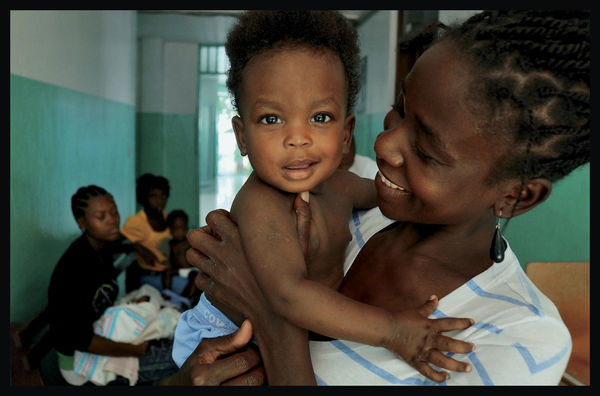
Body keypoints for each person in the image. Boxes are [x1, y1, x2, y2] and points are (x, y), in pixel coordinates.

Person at [177, 10, 590, 386]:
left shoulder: (524, 339)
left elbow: (275, 298)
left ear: (517, 195)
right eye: (400, 108)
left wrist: (269, 317)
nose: (383, 144)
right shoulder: (350, 202)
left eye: (426, 150)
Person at [47, 185, 179, 385]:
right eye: (101, 217)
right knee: (178, 356)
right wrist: (136, 351)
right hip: (80, 365)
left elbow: (100, 302)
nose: (112, 220)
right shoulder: (74, 269)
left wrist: (132, 306)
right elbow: (81, 340)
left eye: (114, 212)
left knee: (176, 337)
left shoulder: (102, 248)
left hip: (102, 335)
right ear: (81, 222)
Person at [121, 173, 172, 292]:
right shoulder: (135, 222)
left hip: (167, 272)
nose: (160, 201)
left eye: (163, 195)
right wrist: (137, 247)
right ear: (143, 198)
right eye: (153, 196)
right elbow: (117, 243)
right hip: (148, 277)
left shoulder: (165, 216)